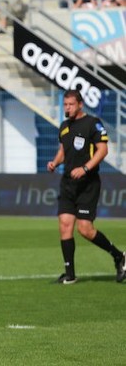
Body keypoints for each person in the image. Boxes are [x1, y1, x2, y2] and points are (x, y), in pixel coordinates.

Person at [46, 90, 126, 285]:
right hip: (67, 183)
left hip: (87, 184)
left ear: (80, 104)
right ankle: (70, 274)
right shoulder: (64, 126)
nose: (67, 108)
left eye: (71, 105)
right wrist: (55, 162)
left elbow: (103, 150)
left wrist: (85, 168)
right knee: (65, 225)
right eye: (65, 105)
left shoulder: (92, 123)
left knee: (85, 229)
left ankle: (118, 256)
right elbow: (63, 150)